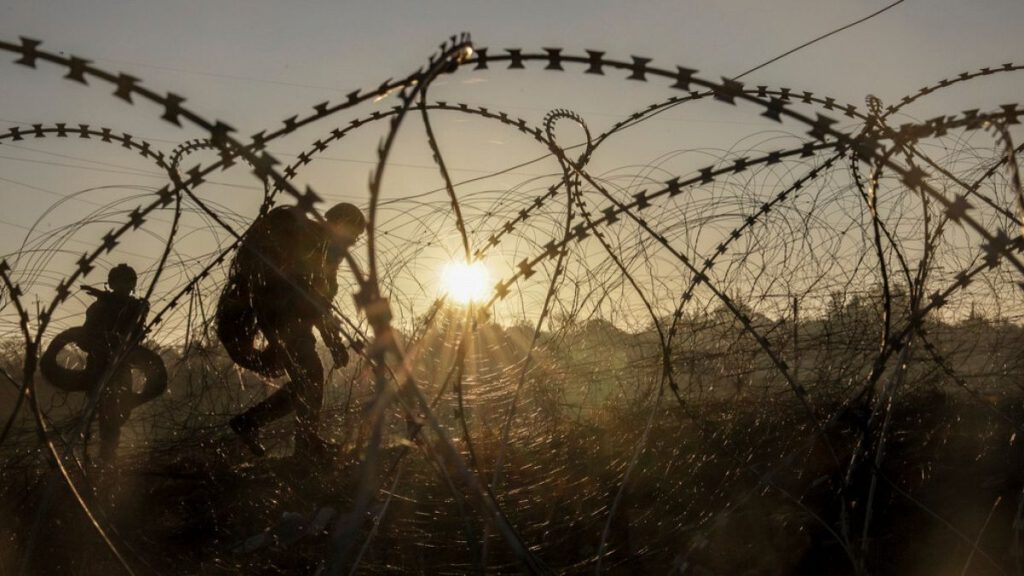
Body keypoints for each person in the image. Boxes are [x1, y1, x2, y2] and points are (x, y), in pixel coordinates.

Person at [221, 202, 365, 458]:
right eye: (352, 235)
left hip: (289, 320)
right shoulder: (310, 241)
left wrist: (333, 342)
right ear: (339, 224)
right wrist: (332, 341)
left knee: (306, 380)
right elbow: (314, 298)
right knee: (310, 376)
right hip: (283, 319)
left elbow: (320, 303)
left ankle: (251, 423)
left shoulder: (325, 250)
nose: (353, 243)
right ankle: (305, 444)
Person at [79, 264, 150, 464]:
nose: (123, 287)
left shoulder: (136, 307)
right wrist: (103, 343)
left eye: (126, 283)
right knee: (99, 412)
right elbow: (84, 339)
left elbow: (136, 337)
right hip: (99, 367)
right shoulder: (99, 308)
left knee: (117, 413)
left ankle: (108, 457)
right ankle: (99, 457)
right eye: (119, 282)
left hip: (120, 366)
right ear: (111, 284)